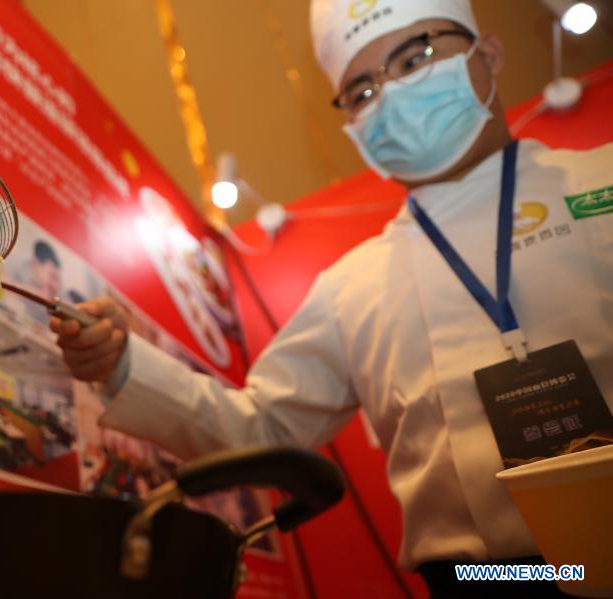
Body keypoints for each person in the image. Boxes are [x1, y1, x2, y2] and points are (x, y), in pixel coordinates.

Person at [51, 0, 612, 596]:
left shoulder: (601, 182)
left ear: (490, 54)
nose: (391, 94)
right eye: (362, 89)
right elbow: (260, 428)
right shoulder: (354, 284)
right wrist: (123, 365)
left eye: (415, 56)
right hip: (487, 578)